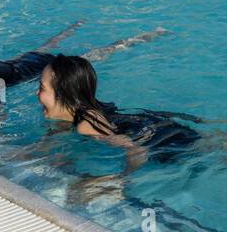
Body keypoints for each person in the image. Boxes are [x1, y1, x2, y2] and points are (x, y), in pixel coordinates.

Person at [37, 54, 200, 169]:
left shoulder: (86, 124)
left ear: (64, 96)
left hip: (168, 143)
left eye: (42, 88)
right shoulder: (79, 114)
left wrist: (123, 179)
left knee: (206, 149)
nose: (37, 94)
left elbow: (136, 150)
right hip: (157, 127)